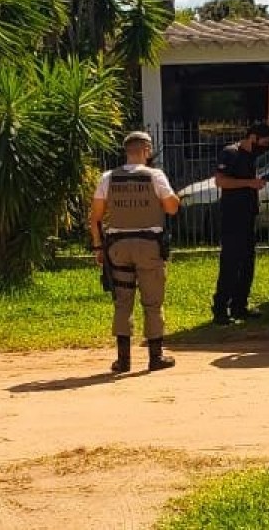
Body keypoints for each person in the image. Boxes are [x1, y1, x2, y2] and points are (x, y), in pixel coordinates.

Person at [89, 131, 182, 374]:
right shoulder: (155, 176)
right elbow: (172, 208)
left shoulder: (108, 177)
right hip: (149, 246)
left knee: (122, 302)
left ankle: (123, 361)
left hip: (118, 247)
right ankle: (155, 356)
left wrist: (98, 247)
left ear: (126, 151)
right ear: (146, 150)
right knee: (152, 302)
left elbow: (95, 217)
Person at [211, 123, 269, 325]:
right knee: (230, 263)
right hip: (232, 216)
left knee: (247, 263)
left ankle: (240, 306)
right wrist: (249, 183)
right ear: (252, 137)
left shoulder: (251, 156)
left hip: (248, 216)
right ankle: (220, 308)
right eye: (264, 142)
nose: (265, 147)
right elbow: (220, 181)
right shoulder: (230, 153)